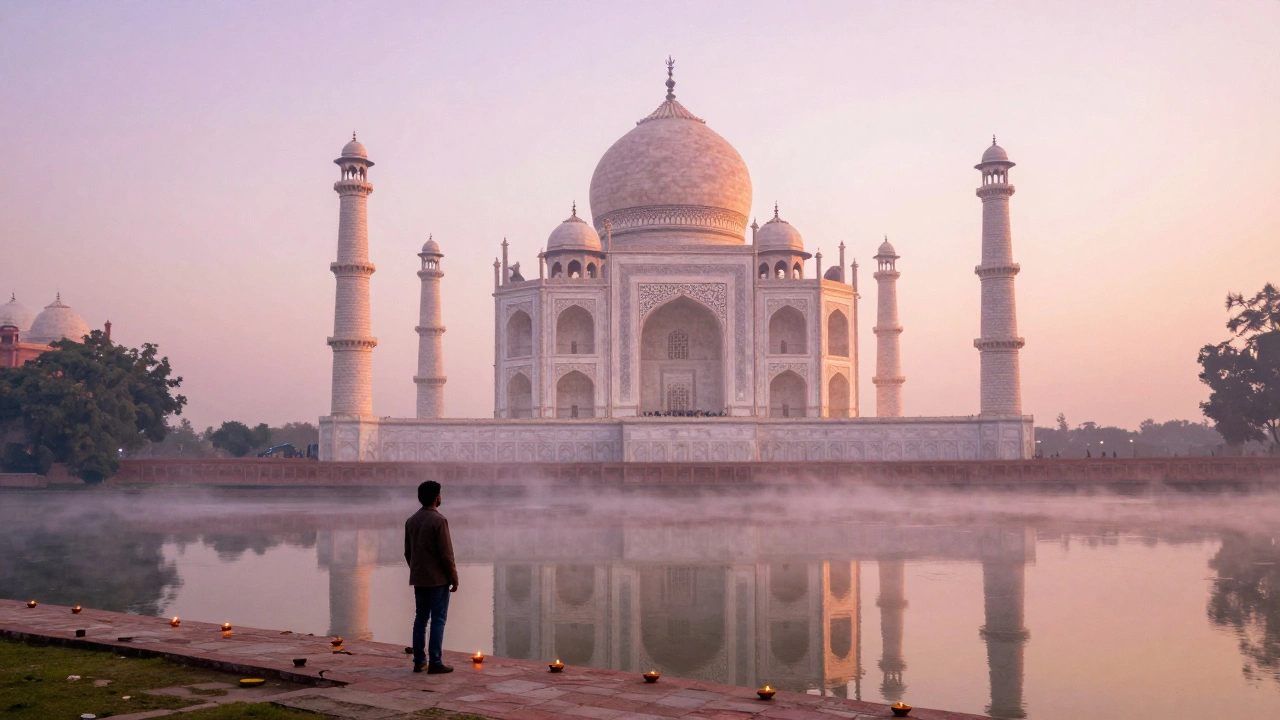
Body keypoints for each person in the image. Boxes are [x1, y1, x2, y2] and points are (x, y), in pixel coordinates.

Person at [404, 480, 459, 674]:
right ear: (437, 497)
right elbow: (446, 554)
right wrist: (454, 577)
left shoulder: (411, 520)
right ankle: (435, 661)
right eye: (440, 494)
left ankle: (419, 660)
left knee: (420, 619)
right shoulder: (439, 520)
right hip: (438, 580)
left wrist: (417, 570)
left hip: (419, 579)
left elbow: (407, 552)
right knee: (438, 619)